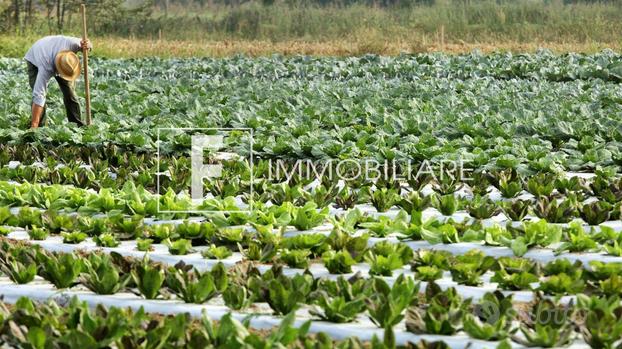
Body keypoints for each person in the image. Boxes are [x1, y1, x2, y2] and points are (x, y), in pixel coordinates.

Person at [24, 35, 92, 128]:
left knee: (70, 92)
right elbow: (39, 95)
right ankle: (38, 126)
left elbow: (88, 43)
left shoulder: (74, 45)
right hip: (35, 57)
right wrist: (34, 124)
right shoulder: (46, 68)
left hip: (61, 58)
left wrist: (88, 45)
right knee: (39, 96)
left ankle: (77, 124)